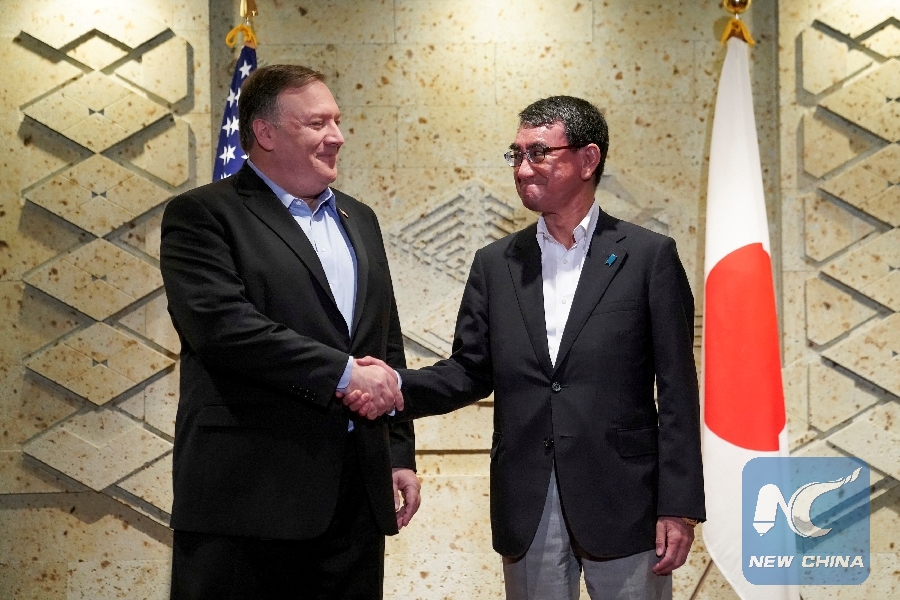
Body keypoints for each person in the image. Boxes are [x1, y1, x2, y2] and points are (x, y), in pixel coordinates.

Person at [345, 95, 705, 599]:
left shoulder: (648, 257)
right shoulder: (496, 264)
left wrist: (679, 506)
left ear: (588, 159)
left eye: (538, 153)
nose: (522, 168)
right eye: (516, 155)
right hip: (529, 500)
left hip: (627, 501)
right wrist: (393, 388)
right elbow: (469, 371)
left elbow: (678, 390)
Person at [160, 64, 419, 600]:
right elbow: (223, 329)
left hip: (355, 496)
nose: (337, 136)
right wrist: (343, 374)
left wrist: (397, 452)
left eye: (337, 121)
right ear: (265, 132)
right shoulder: (203, 215)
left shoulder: (360, 218)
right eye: (317, 123)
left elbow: (383, 341)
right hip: (248, 499)